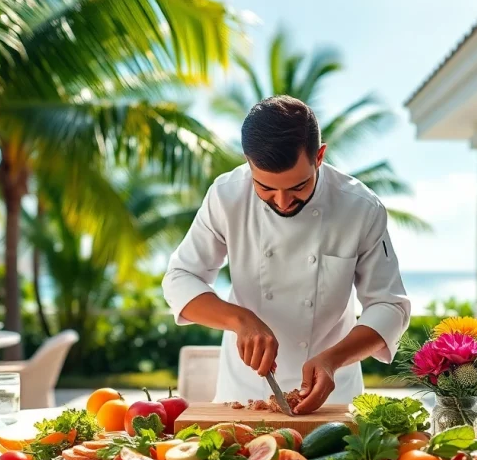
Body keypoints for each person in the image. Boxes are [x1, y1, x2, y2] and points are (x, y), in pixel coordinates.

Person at [161, 95, 411, 413]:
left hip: (334, 393)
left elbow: (390, 306)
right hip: (245, 393)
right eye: (265, 188)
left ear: (319, 156)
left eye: (297, 187)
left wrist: (334, 359)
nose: (282, 202)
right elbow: (180, 278)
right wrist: (240, 320)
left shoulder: (360, 207)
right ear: (248, 162)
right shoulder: (226, 196)